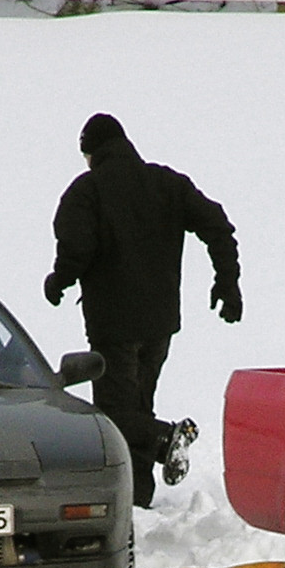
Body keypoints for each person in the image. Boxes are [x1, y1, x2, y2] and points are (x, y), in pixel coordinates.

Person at [45, 113, 239, 508]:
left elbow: (76, 247)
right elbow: (218, 225)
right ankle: (138, 499)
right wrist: (227, 281)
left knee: (116, 413)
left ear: (90, 152)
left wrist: (59, 280)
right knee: (138, 407)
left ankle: (166, 439)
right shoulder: (167, 183)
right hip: (160, 323)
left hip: (113, 325)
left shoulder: (88, 191)